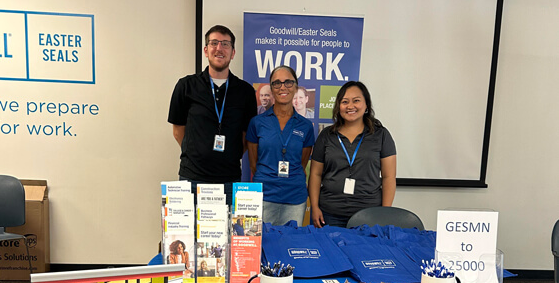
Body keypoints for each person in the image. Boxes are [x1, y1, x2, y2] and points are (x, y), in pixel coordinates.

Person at [168, 25, 257, 203]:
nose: (219, 48)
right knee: (189, 232)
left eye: (225, 44)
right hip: (192, 179)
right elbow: (178, 130)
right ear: (206, 50)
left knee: (228, 231)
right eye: (214, 43)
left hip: (229, 180)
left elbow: (246, 136)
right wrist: (198, 153)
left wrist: (228, 155)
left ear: (233, 53)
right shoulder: (186, 86)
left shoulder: (245, 91)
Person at [309, 81, 397, 228]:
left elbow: (389, 177)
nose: (350, 106)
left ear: (366, 105)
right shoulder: (326, 135)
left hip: (369, 214)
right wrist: (315, 206)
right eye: (345, 102)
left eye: (356, 101)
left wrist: (384, 213)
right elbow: (315, 174)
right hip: (329, 214)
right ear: (338, 106)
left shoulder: (381, 135)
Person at [247, 66, 315, 225]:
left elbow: (302, 163)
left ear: (296, 87)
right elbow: (253, 163)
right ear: (271, 88)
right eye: (277, 83)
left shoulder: (305, 126)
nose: (283, 87)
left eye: (288, 82)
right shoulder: (257, 122)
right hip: (264, 195)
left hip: (294, 197)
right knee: (262, 246)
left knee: (289, 245)